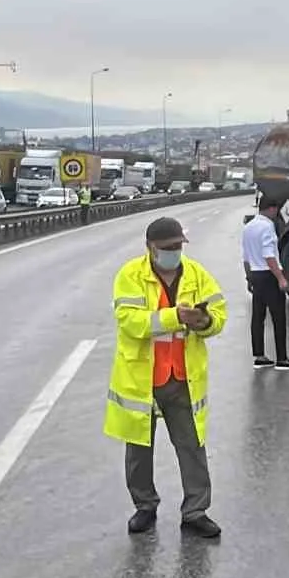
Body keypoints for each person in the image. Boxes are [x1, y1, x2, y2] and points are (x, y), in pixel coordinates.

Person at [106, 217, 227, 539]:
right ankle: (145, 506)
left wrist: (203, 322)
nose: (175, 252)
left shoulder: (197, 274)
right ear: (150, 247)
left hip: (183, 377)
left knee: (191, 447)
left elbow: (219, 315)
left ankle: (196, 511)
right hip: (142, 377)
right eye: (168, 248)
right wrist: (177, 317)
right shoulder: (130, 275)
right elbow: (130, 321)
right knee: (139, 449)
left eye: (178, 246)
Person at [241, 193, 289, 370]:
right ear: (272, 209)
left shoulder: (248, 227)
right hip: (269, 275)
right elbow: (269, 255)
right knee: (278, 317)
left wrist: (248, 277)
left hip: (255, 275)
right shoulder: (267, 227)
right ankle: (282, 359)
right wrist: (281, 278)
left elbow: (246, 256)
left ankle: (259, 356)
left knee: (258, 317)